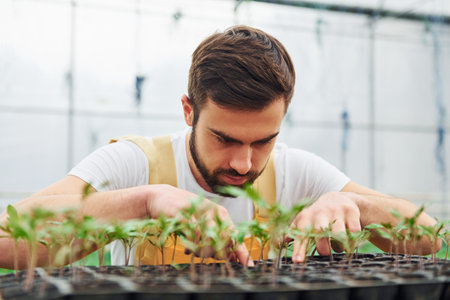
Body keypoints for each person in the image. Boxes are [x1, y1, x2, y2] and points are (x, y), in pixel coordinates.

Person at [0, 25, 439, 269]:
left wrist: (357, 206)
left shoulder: (295, 172)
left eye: (264, 141)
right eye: (224, 139)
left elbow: (429, 238)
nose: (244, 163)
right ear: (189, 111)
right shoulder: (136, 162)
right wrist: (144, 201)